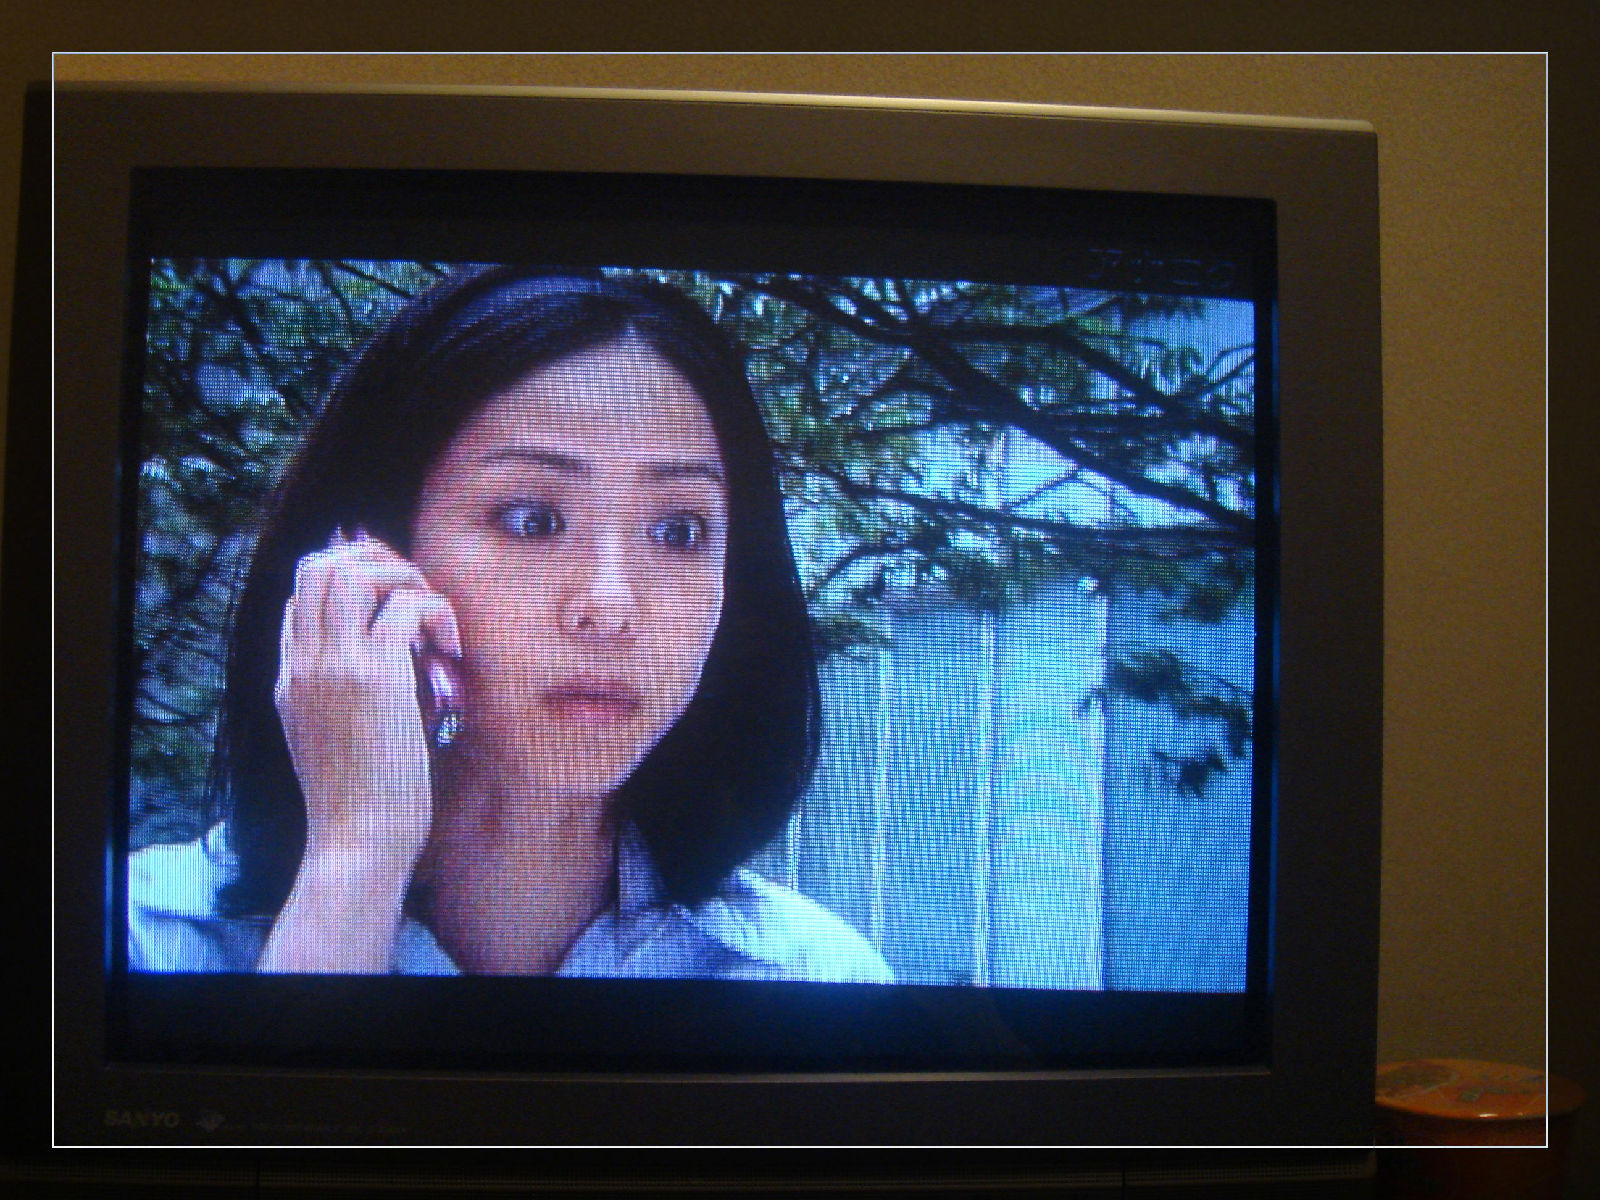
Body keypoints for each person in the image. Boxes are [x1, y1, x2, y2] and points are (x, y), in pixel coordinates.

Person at [127, 267, 892, 983]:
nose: (611, 607)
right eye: (531, 520)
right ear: (360, 559)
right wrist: (355, 859)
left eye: (679, 532)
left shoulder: (811, 978)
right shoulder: (137, 942)